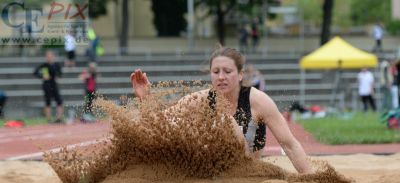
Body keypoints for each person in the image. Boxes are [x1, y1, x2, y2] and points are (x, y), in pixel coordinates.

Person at [130, 47, 313, 174]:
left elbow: (289, 144)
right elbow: (159, 125)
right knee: (178, 123)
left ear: (240, 75)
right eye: (216, 72)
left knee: (225, 122)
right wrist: (146, 99)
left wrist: (310, 176)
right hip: (212, 169)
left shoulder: (258, 101)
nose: (221, 77)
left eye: (227, 71)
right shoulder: (200, 99)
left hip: (246, 170)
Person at [33, 50, 64, 123]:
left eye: (50, 56)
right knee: (48, 102)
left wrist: (58, 76)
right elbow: (35, 72)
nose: (49, 57)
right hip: (46, 85)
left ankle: (59, 118)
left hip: (54, 84)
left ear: (53, 57)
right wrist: (42, 76)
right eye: (48, 56)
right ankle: (49, 119)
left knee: (59, 101)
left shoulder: (56, 65)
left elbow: (60, 73)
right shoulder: (44, 65)